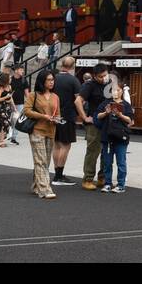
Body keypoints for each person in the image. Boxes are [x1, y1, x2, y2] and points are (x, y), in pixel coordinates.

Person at [24, 70, 62, 199]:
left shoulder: (55, 97)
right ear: (42, 81)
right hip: (37, 130)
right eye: (48, 80)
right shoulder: (33, 95)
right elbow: (27, 111)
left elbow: (58, 114)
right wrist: (43, 116)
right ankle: (45, 189)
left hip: (51, 130)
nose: (51, 82)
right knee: (40, 161)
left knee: (45, 161)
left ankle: (36, 185)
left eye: (52, 80)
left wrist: (57, 119)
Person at [51, 56, 87, 186]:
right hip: (67, 114)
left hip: (54, 114)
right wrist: (83, 115)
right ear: (72, 66)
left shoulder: (53, 79)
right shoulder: (73, 80)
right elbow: (79, 99)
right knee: (65, 145)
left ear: (61, 65)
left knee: (56, 144)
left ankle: (56, 173)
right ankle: (59, 176)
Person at [95, 85, 134, 193]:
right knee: (107, 162)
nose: (115, 92)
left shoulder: (126, 105)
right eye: (113, 90)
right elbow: (98, 116)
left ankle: (121, 184)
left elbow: (130, 120)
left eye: (118, 90)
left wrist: (120, 115)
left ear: (122, 91)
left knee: (121, 161)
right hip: (107, 136)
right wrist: (106, 113)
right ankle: (108, 183)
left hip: (121, 137)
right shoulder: (106, 102)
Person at [80, 63, 110, 189]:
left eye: (105, 75)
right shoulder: (89, 85)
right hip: (94, 122)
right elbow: (78, 101)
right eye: (100, 76)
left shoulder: (110, 83)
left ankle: (102, 177)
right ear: (94, 76)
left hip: (108, 121)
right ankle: (88, 178)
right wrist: (84, 117)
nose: (103, 78)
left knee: (106, 151)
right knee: (93, 150)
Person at [0, 73, 14, 148]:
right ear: (6, 79)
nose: (11, 79)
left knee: (5, 124)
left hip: (8, 108)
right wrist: (5, 97)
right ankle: (1, 141)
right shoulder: (1, 88)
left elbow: (11, 98)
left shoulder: (10, 87)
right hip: (2, 107)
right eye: (10, 78)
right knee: (5, 123)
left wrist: (14, 107)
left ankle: (1, 139)